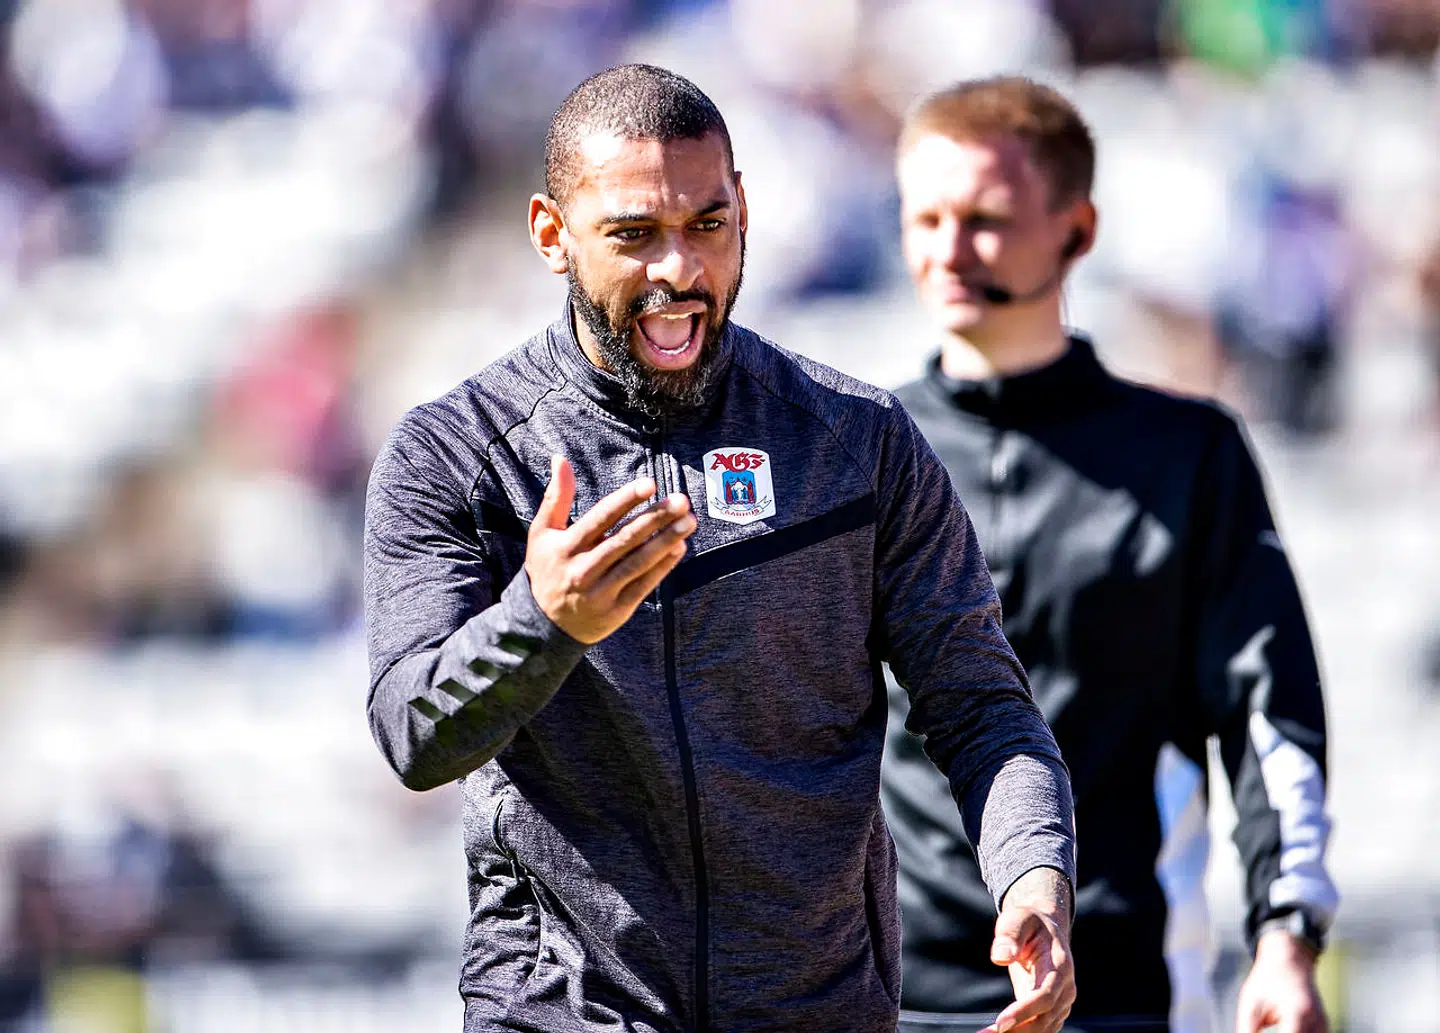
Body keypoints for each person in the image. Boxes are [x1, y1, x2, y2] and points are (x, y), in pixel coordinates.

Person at [363, 64, 1078, 1033]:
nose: (678, 271)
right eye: (632, 235)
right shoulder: (457, 455)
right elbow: (413, 733)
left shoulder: (856, 444)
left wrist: (1034, 875)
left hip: (818, 1011)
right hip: (561, 1012)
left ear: (744, 208)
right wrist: (544, 622)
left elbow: (984, 708)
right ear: (551, 234)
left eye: (706, 224)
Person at [879, 77, 1338, 1033]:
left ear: (1077, 230)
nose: (947, 251)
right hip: (885, 1000)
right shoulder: (860, 452)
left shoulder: (1188, 456)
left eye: (986, 220)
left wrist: (1284, 938)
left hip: (1125, 996)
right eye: (924, 218)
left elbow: (1268, 707)